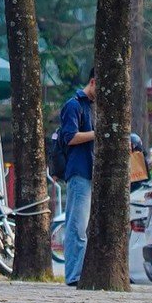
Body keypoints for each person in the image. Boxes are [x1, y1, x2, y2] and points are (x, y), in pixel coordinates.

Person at [51, 72, 95, 287]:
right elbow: (70, 137)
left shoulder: (92, 107)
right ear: (93, 82)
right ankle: (73, 275)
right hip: (79, 171)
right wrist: (97, 133)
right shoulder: (74, 105)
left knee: (82, 226)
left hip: (92, 171)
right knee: (76, 226)